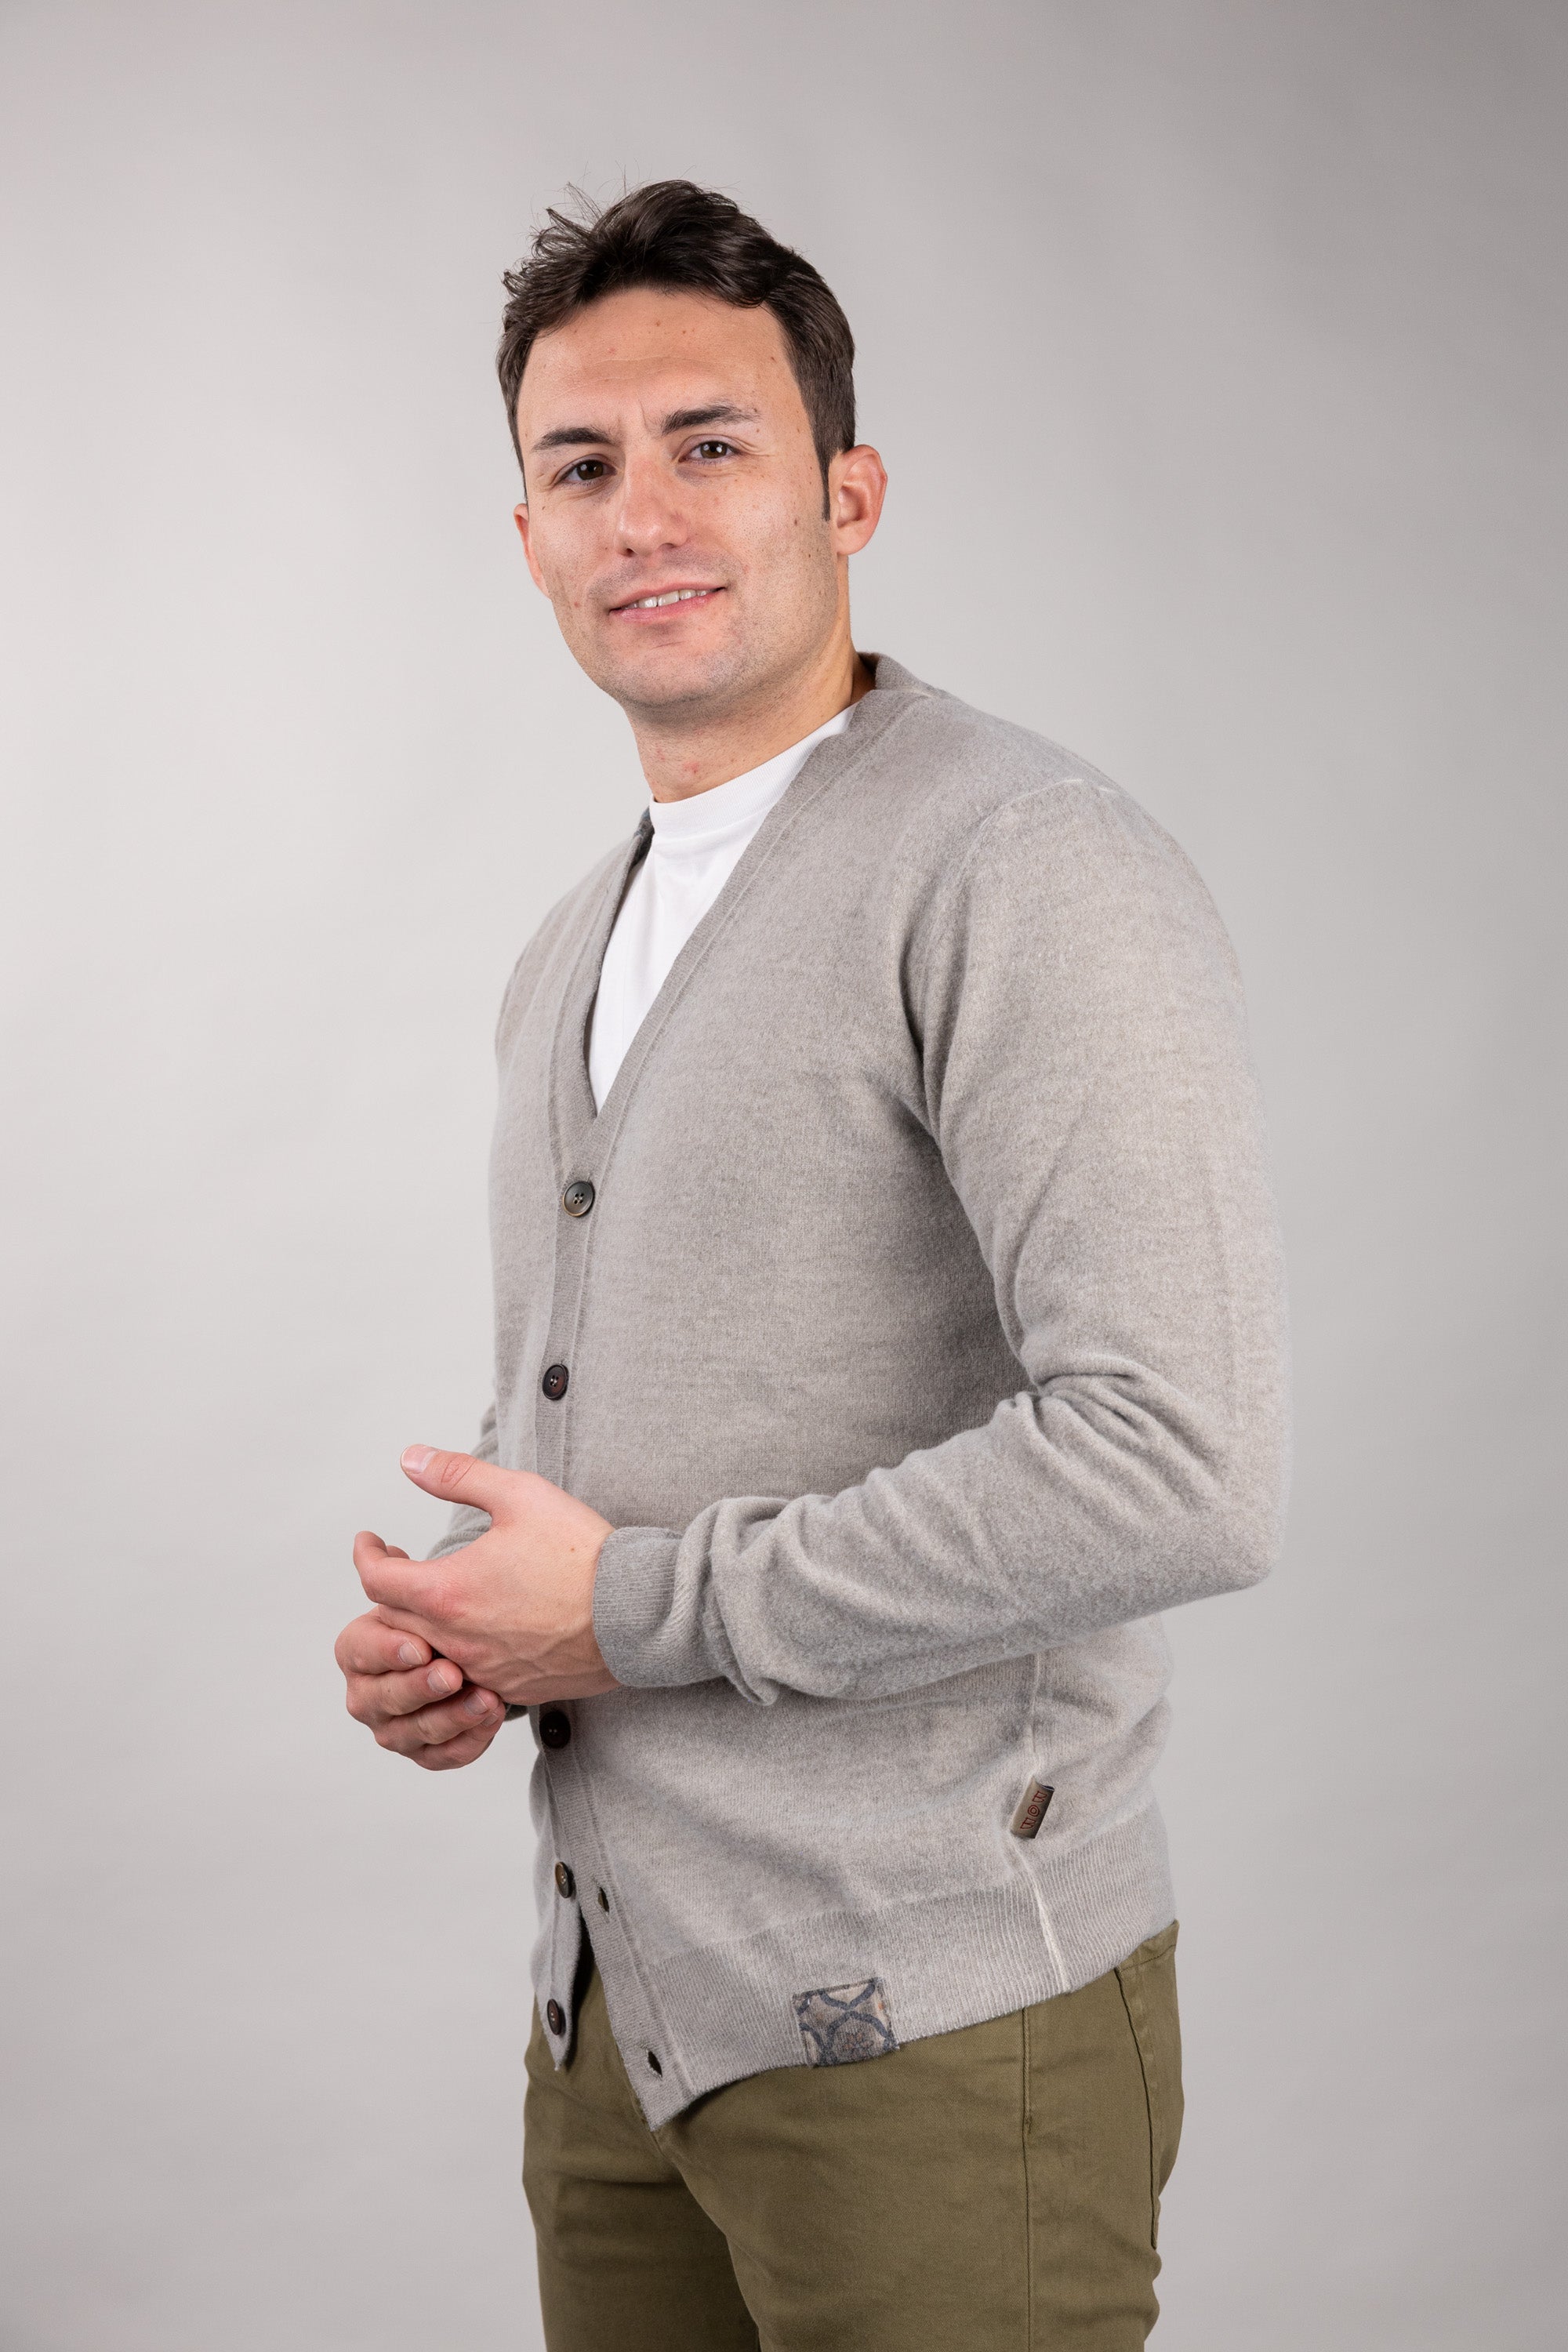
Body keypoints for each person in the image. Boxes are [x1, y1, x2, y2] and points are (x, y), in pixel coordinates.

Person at [332, 180, 1290, 2351]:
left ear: (847, 494)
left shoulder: (1023, 864)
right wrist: (477, 1632)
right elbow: (622, 1437)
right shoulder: (565, 948)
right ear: (527, 536)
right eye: (584, 466)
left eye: (712, 443)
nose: (645, 514)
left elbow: (1182, 1466)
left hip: (935, 2019)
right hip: (620, 2020)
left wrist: (625, 1610)